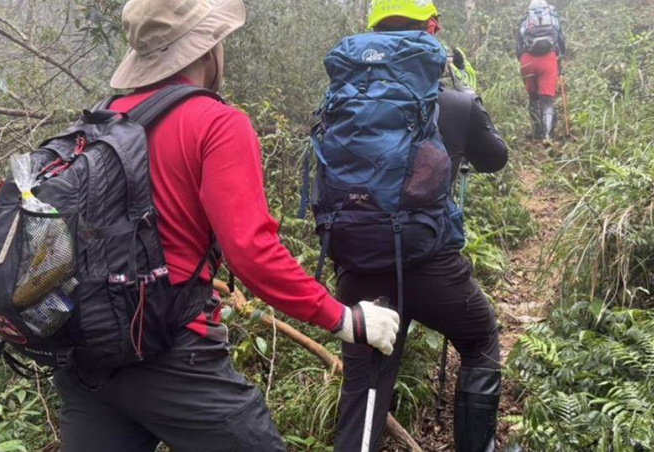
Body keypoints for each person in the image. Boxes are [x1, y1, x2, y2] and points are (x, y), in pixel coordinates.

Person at [54, 0, 400, 450]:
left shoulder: (100, 119)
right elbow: (251, 252)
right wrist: (343, 319)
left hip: (85, 354)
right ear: (207, 49)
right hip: (173, 354)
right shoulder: (216, 123)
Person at [332, 1, 509, 451]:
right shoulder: (453, 102)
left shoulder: (346, 99)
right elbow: (495, 158)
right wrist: (468, 92)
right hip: (429, 262)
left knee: (367, 383)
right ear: (431, 31)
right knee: (480, 336)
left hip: (356, 259)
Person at [516, 0, 566, 141]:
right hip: (548, 60)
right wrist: (560, 61)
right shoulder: (553, 19)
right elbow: (561, 43)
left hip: (527, 61)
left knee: (533, 98)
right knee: (547, 100)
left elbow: (518, 48)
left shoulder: (525, 20)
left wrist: (524, 61)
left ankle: (536, 133)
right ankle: (547, 136)